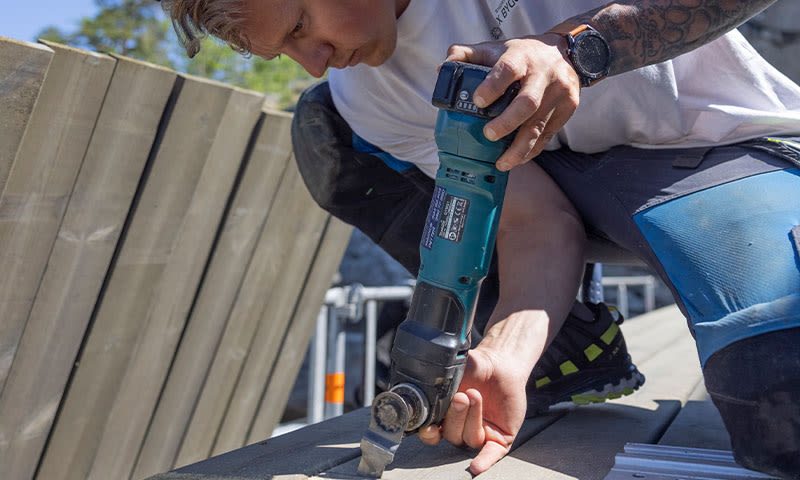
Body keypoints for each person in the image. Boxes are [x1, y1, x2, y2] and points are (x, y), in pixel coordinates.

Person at [160, 0, 800, 477]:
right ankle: (566, 349)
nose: (314, 60)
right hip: (570, 191)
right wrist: (507, 349)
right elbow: (532, 220)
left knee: (783, 395)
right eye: (287, 51)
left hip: (716, 154)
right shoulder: (364, 93)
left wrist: (576, 49)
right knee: (322, 121)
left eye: (300, 24)